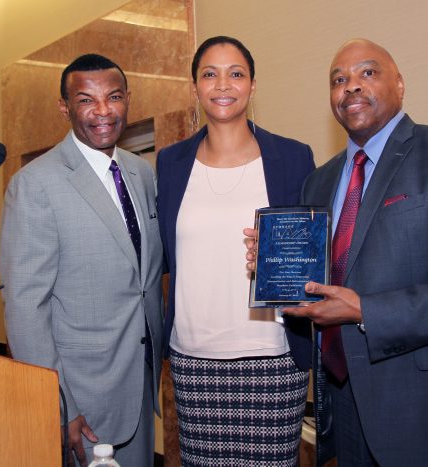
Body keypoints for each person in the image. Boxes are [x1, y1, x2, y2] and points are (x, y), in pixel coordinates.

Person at [246, 39, 428, 466]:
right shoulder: (319, 182)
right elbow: (324, 284)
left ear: (400, 84)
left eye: (367, 73)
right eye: (339, 80)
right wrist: (273, 266)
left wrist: (365, 310)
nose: (351, 87)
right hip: (346, 405)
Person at [156, 36, 315, 466]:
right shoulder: (170, 164)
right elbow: (166, 258)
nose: (223, 84)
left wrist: (280, 256)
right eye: (210, 73)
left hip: (273, 355)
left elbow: (312, 257)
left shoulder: (293, 157)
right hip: (193, 359)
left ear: (252, 85)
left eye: (236, 73)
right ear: (195, 87)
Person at [0, 54, 163, 467]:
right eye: (87, 100)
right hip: (81, 399)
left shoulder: (141, 172)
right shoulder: (36, 184)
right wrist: (57, 405)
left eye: (114, 97)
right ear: (65, 107)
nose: (103, 111)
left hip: (139, 381)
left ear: (128, 99)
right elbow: (25, 306)